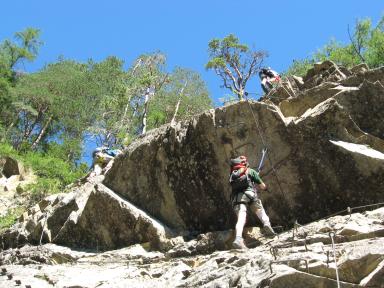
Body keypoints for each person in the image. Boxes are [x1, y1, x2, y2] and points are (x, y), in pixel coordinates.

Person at [229, 155, 275, 249]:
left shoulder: (233, 174)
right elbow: (262, 186)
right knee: (260, 210)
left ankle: (238, 238)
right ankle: (266, 224)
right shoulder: (250, 171)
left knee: (241, 218)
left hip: (238, 198)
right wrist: (265, 188)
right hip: (251, 194)